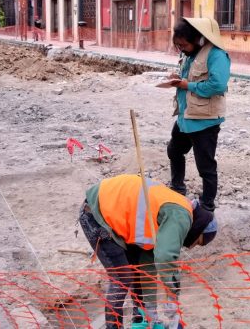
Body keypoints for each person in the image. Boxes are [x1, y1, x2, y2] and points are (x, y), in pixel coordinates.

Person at [80, 174, 217, 329]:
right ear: (198, 229)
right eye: (198, 242)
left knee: (135, 270)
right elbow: (165, 258)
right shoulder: (182, 215)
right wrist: (172, 302)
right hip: (98, 213)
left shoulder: (164, 221)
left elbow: (148, 268)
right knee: (122, 277)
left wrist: (151, 310)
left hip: (111, 214)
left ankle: (142, 320)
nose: (191, 247)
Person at [166, 17, 230, 212]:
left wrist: (187, 85)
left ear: (198, 39)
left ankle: (207, 205)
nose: (181, 49)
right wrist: (178, 79)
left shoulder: (217, 55)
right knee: (174, 150)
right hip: (186, 117)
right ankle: (177, 188)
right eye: (178, 46)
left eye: (183, 45)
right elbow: (189, 75)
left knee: (206, 166)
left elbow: (218, 85)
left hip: (205, 121)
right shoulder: (189, 54)